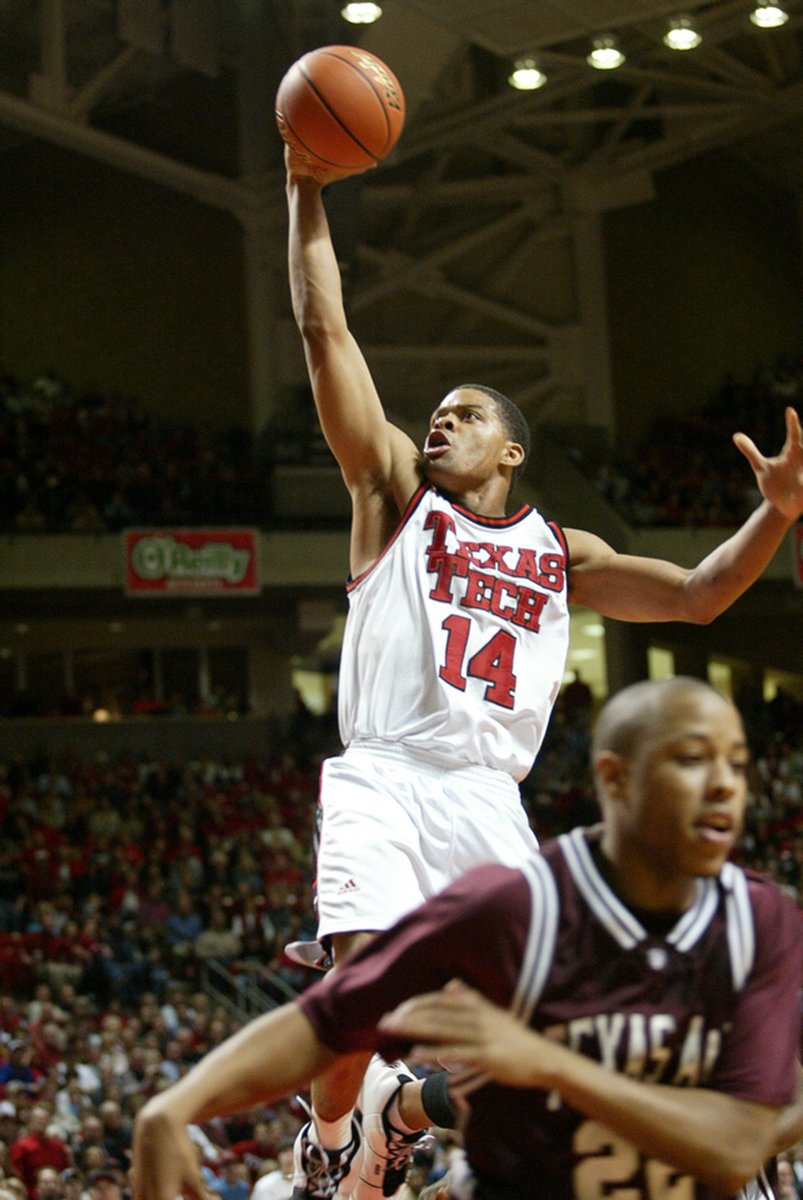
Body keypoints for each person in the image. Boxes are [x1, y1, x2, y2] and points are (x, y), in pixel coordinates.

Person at [279, 141, 803, 1198]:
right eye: (438, 412)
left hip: (488, 799)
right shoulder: (390, 495)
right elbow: (323, 328)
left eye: (466, 414)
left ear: (511, 451)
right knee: (360, 981)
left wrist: (775, 515)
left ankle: (401, 1113)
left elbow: (699, 596)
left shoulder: (563, 555)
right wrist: (303, 187)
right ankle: (337, 1142)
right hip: (382, 773)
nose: (441, 420)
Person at [132, 678, 801, 1200]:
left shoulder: (759, 919)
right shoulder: (514, 904)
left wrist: (555, 1069)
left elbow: (745, 1133)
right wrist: (176, 1105)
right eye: (690, 761)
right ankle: (387, 1121)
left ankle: (402, 1116)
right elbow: (330, 1015)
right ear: (614, 778)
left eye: (736, 766)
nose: (722, 786)